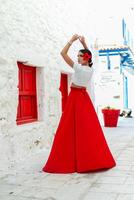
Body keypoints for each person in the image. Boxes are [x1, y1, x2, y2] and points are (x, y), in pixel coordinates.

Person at [42, 34, 116, 173]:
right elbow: (89, 56)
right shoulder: (90, 68)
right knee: (86, 129)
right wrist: (84, 44)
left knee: (68, 128)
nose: (77, 58)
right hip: (83, 97)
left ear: (85, 58)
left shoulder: (79, 68)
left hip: (75, 97)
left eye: (79, 56)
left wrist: (71, 40)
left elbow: (62, 53)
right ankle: (88, 159)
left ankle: (72, 159)